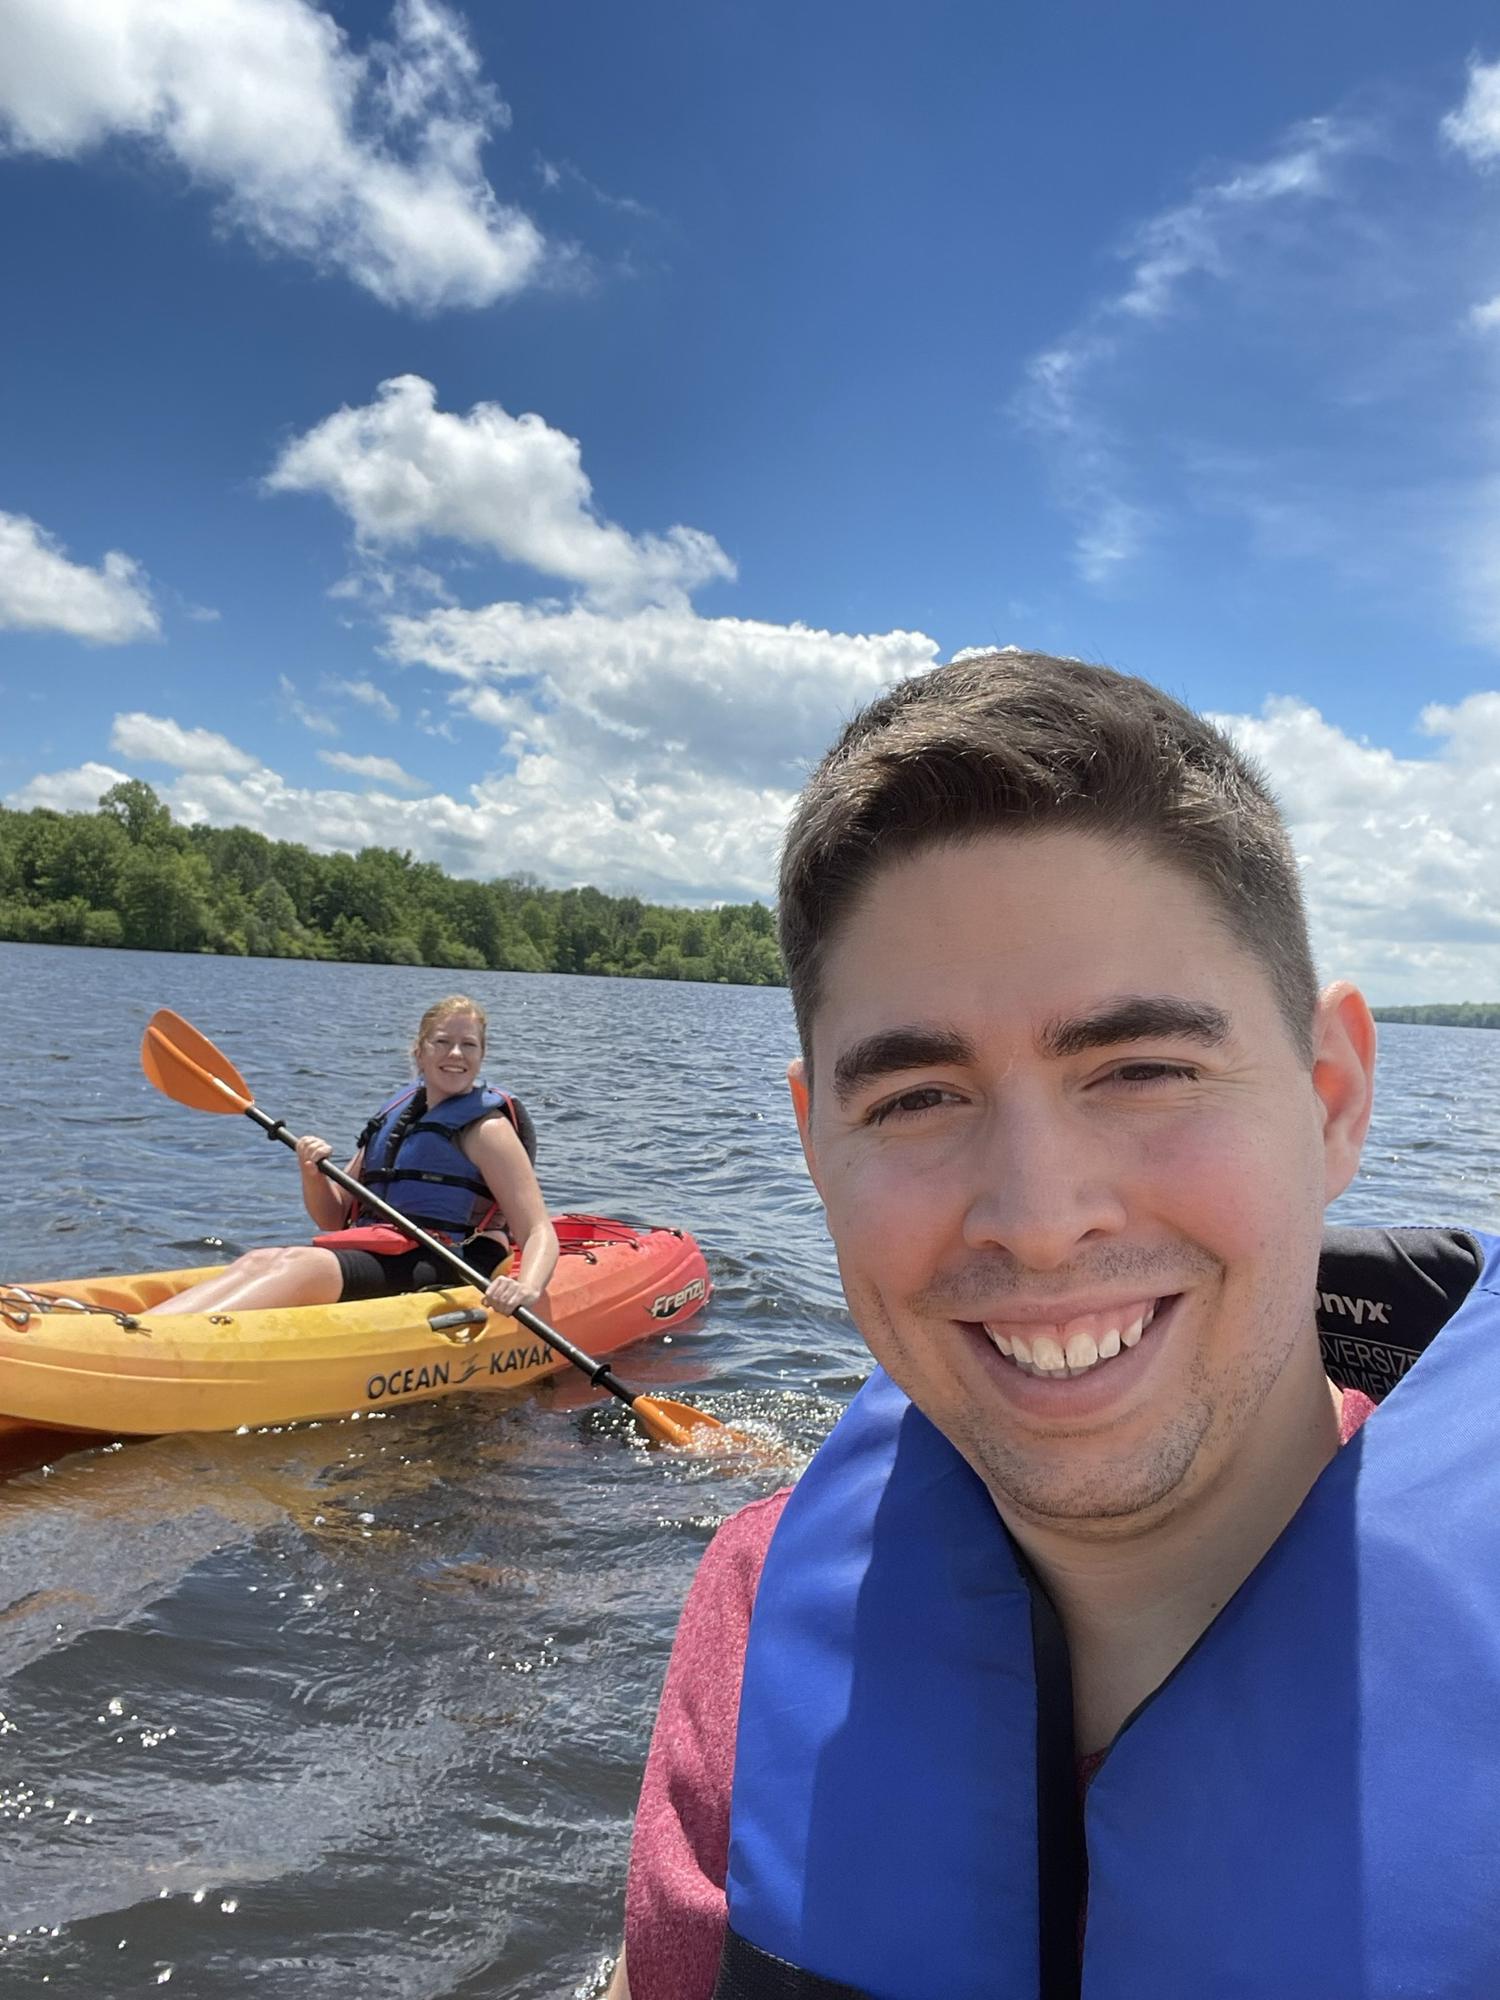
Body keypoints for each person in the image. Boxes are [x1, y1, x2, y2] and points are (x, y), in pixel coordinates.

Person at [606, 651, 1500, 1999]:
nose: (1035, 1216)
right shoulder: (755, 1612)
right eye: (915, 1099)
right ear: (814, 1145)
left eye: (1142, 1069)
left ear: (1331, 1099)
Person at [155, 994, 557, 1321]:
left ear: (481, 1055)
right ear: (419, 1052)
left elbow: (538, 1230)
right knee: (261, 1258)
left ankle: (165, 1339)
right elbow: (333, 1216)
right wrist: (311, 1171)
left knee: (303, 1265)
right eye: (442, 1042)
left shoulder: (488, 1130)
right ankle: (147, 1327)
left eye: (468, 1044)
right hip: (392, 1249)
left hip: (452, 1258)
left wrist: (528, 1287)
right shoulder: (398, 1118)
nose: (456, 1053)